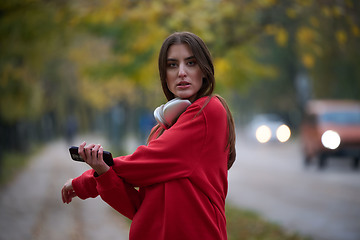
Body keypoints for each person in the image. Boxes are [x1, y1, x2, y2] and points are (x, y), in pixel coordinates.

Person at [61, 31, 236, 240]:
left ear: (204, 70)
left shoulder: (208, 111)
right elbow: (140, 209)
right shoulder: (159, 131)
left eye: (191, 63)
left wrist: (86, 182)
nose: (181, 72)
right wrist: (102, 171)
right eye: (172, 65)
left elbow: (143, 163)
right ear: (165, 75)